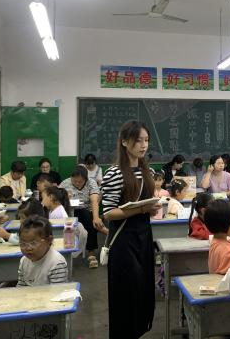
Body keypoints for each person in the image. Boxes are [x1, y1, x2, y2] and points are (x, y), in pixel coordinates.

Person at [101, 120, 160, 339]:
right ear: (125, 142)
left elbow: (146, 205)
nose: (143, 145)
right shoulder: (114, 173)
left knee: (143, 288)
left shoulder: (148, 171)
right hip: (123, 240)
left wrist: (151, 209)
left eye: (146, 140)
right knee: (126, 292)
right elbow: (109, 213)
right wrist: (141, 209)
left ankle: (138, 332)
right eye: (138, 140)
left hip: (144, 237)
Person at [60, 165, 101, 268]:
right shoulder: (65, 183)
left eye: (80, 182)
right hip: (70, 211)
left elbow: (94, 201)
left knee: (90, 220)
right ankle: (67, 253)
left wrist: (96, 218)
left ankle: (91, 253)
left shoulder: (91, 183)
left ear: (86, 179)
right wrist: (65, 199)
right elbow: (58, 199)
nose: (77, 184)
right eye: (75, 181)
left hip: (87, 210)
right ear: (71, 178)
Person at [17, 216, 68, 286]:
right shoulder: (24, 261)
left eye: (33, 243)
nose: (28, 248)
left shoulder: (56, 263)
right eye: (23, 243)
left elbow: (58, 291)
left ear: (49, 240)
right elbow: (21, 287)